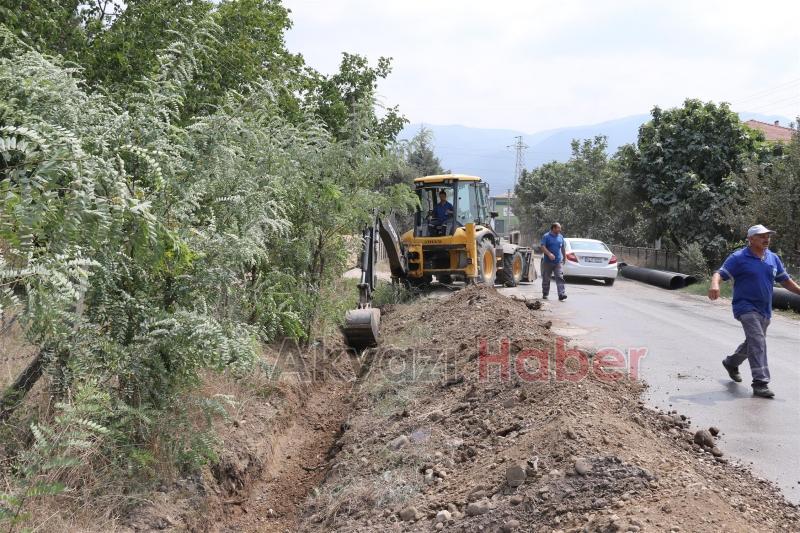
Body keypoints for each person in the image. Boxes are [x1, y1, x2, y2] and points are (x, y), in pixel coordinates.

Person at [708, 224, 800, 398]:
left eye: (768, 236)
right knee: (758, 340)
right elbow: (719, 273)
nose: (766, 239)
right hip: (745, 306)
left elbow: (785, 281)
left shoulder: (773, 258)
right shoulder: (739, 257)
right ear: (750, 239)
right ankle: (760, 382)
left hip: (764, 310)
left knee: (753, 342)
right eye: (761, 236)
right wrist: (714, 284)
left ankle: (731, 362)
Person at [540, 222, 567, 301]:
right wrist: (549, 254)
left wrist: (564, 257)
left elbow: (562, 248)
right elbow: (542, 246)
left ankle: (561, 294)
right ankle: (545, 293)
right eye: (558, 228)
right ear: (553, 228)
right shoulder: (546, 236)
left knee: (560, 277)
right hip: (548, 262)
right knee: (546, 278)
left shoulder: (561, 237)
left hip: (558, 261)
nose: (560, 229)